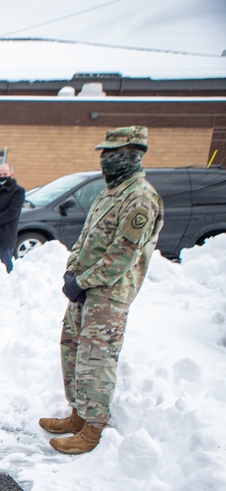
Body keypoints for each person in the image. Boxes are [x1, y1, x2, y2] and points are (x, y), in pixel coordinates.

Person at [39, 126, 164, 455]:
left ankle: (92, 428)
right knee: (72, 351)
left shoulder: (140, 197)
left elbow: (123, 254)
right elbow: (85, 238)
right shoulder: (109, 193)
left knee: (96, 360)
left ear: (133, 155)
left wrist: (83, 281)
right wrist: (71, 271)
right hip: (84, 291)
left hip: (108, 295)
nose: (105, 159)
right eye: (103, 154)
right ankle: (78, 414)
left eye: (112, 154)